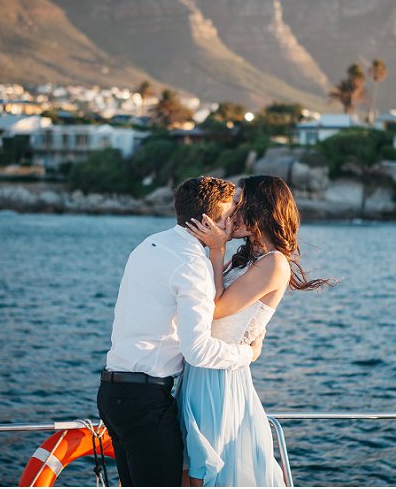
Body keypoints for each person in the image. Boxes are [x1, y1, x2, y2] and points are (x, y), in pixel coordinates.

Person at [97, 176, 265, 487]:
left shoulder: (149, 244)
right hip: (145, 400)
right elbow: (197, 349)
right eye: (231, 216)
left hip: (112, 392)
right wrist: (248, 353)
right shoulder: (191, 265)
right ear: (208, 221)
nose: (235, 221)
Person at [180, 175, 333, 487]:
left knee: (207, 472)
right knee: (187, 469)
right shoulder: (246, 259)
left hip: (219, 379)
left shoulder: (275, 263)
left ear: (260, 211)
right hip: (198, 369)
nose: (232, 211)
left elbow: (215, 308)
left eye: (239, 203)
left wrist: (217, 249)